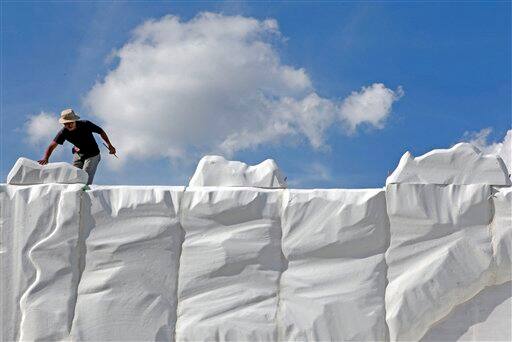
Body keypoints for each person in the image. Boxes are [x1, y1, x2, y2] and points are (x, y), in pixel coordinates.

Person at [38, 109, 116, 185]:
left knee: (85, 179)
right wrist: (46, 158)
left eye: (70, 123)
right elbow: (52, 146)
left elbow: (101, 131)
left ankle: (84, 193)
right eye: (66, 124)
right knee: (73, 178)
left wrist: (110, 145)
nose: (68, 125)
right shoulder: (63, 132)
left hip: (92, 155)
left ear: (74, 120)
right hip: (79, 155)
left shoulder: (86, 124)